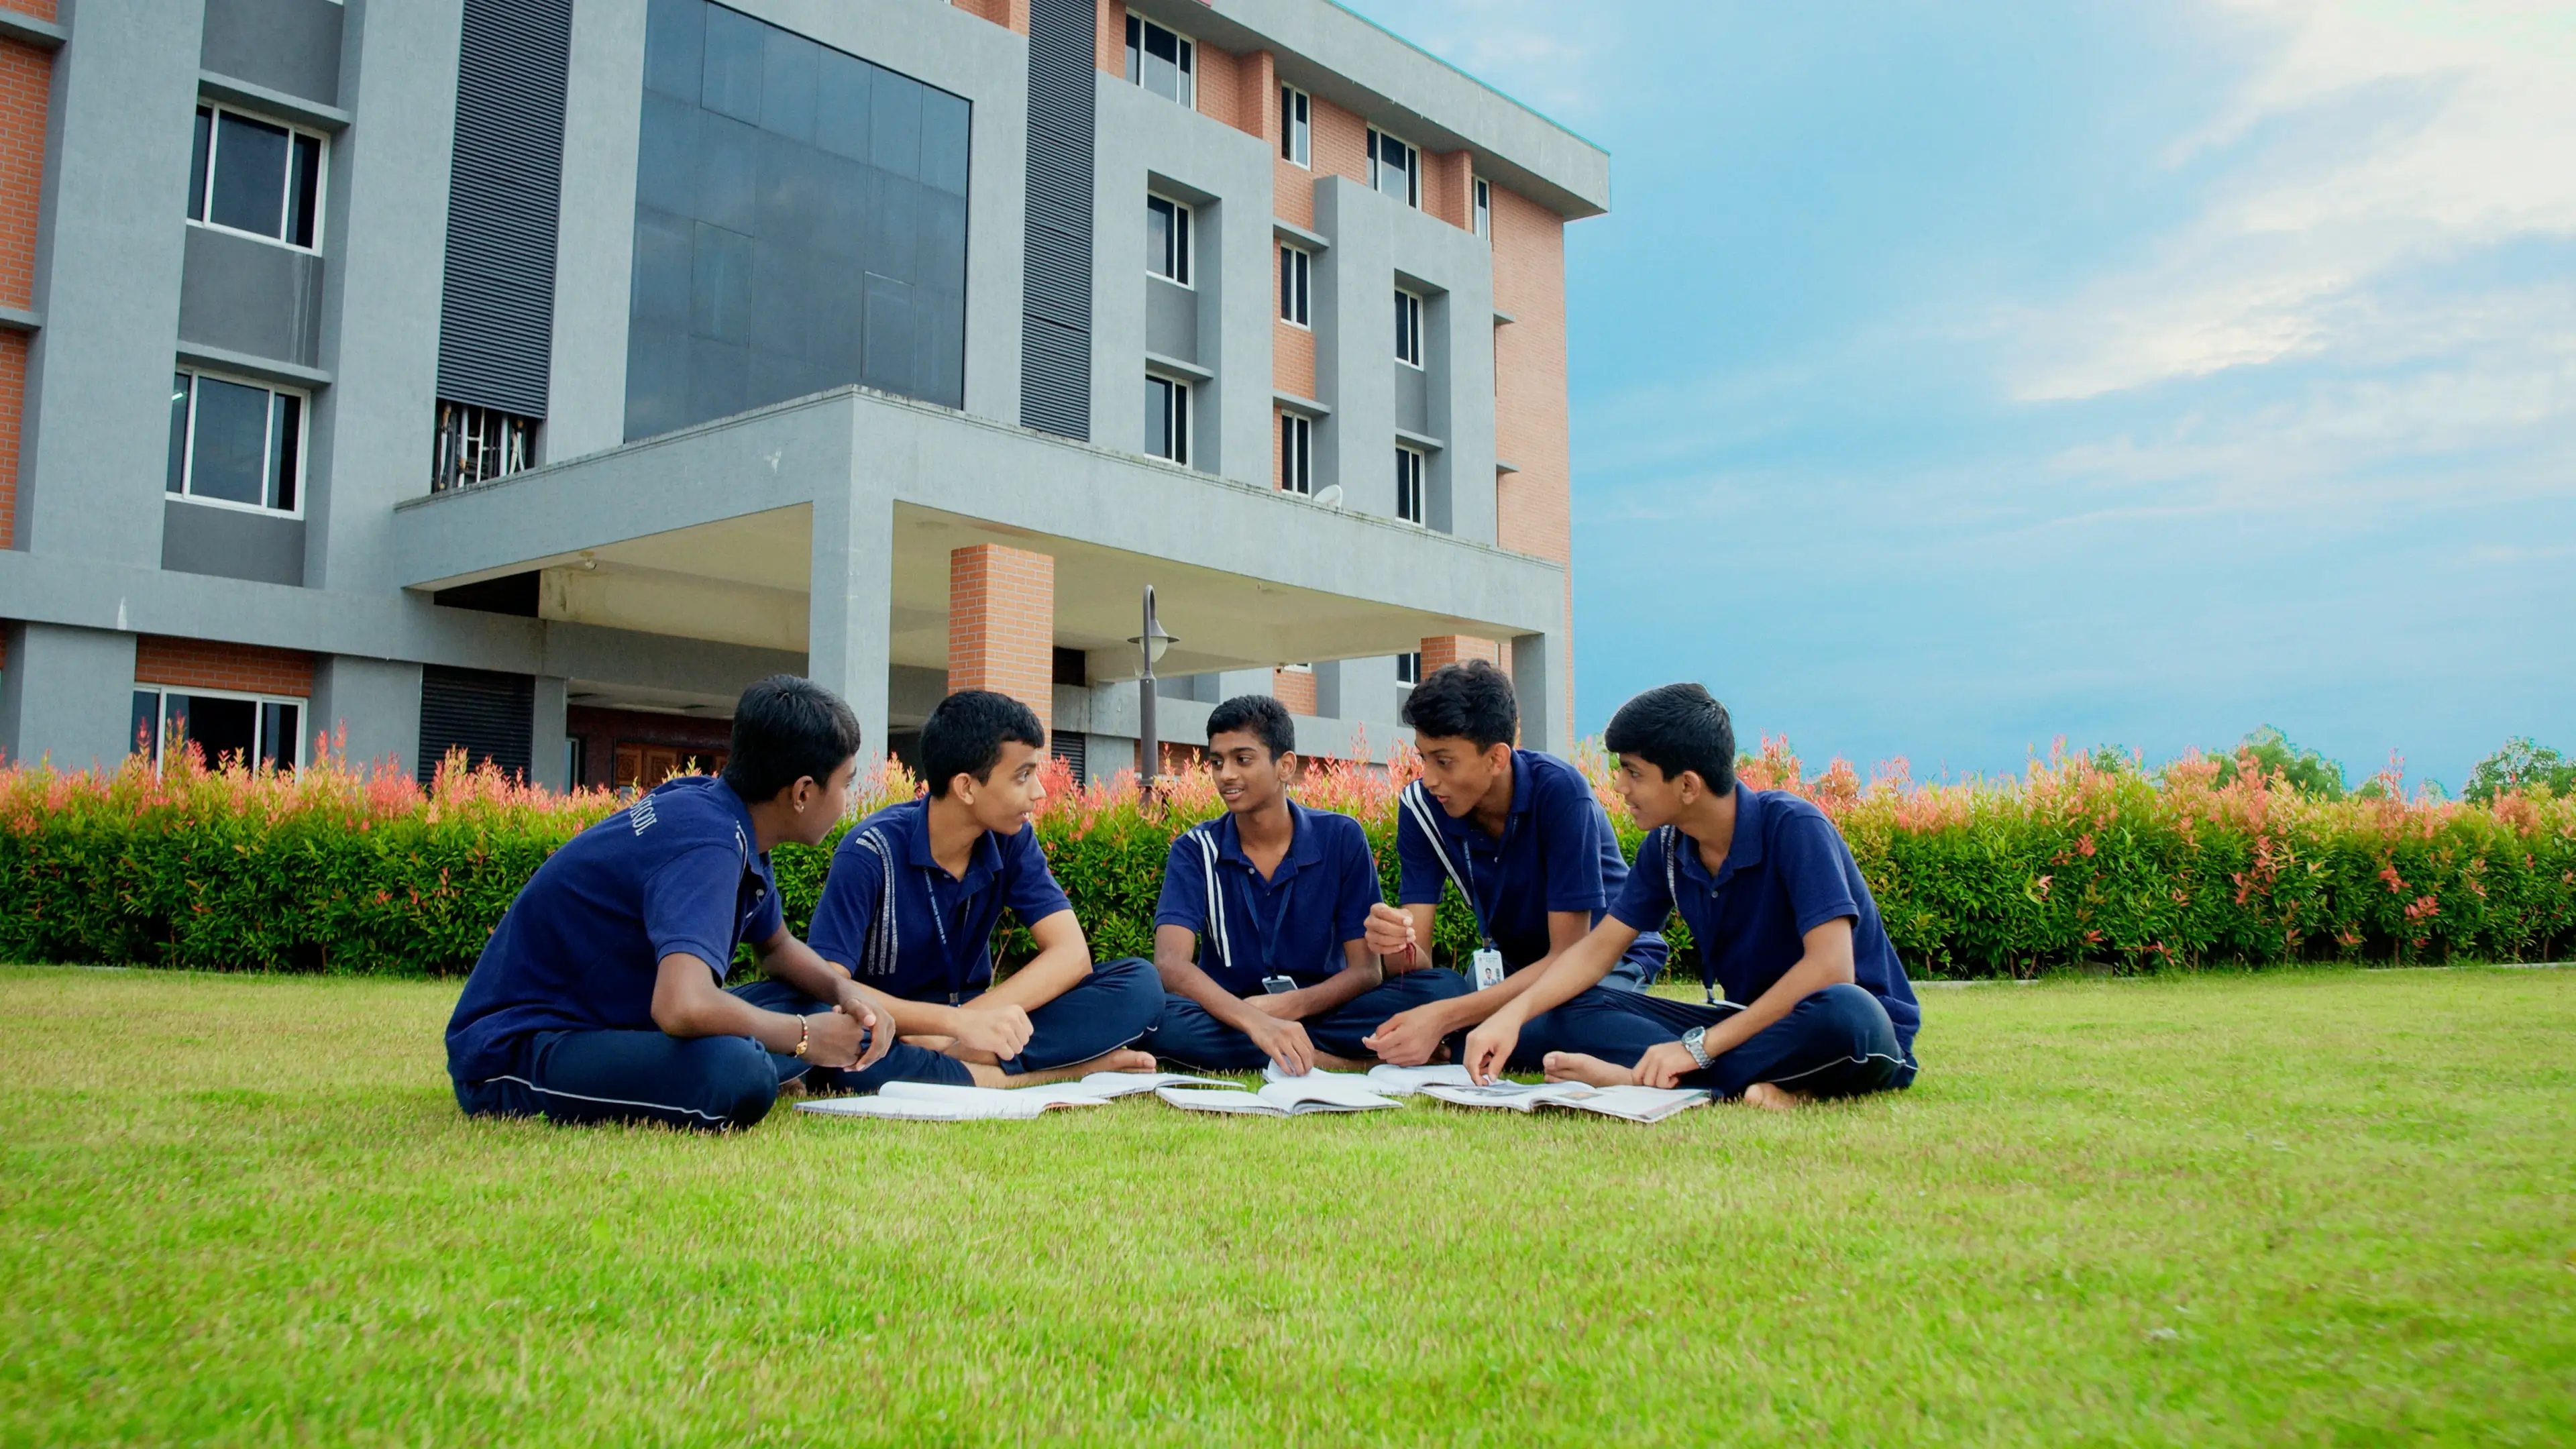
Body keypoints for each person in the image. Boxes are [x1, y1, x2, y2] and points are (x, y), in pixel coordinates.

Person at [444, 675, 900, 1131]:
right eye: (845, 783)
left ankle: (769, 1053)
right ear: (802, 793)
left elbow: (776, 947)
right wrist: (803, 1040)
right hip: (520, 1047)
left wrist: (846, 994)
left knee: (816, 1002)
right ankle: (769, 1061)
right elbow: (681, 1006)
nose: (847, 799)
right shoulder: (710, 845)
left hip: (614, 1023)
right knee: (738, 1072)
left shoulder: (725, 816)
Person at [1461, 683, 1921, 1108]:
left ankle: (1643, 1079)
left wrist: (1695, 1049)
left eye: (1633, 772)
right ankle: (1763, 1085)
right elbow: (1595, 955)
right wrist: (1512, 1014)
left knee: (1848, 1013)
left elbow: (1831, 969)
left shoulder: (1795, 827)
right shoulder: (1666, 847)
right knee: (1568, 1008)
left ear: (1687, 786)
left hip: (1843, 1024)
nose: (1620, 787)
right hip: (1742, 1025)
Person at [802, 689, 1162, 1089]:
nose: (1039, 792)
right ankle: (1057, 1072)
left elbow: (1071, 955)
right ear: (966, 787)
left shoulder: (1012, 838)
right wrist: (951, 1023)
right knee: (848, 1052)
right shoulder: (871, 851)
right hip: (895, 1028)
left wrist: (964, 1027)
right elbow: (829, 984)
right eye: (1022, 776)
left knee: (1139, 985)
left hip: (969, 1024)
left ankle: (958, 1063)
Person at [1358, 659, 1668, 1069]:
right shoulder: (1420, 807)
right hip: (1512, 967)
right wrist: (1394, 942)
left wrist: (1446, 1018)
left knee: (1554, 1024)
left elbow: (1569, 956)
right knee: (1432, 999)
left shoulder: (1561, 792)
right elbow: (1418, 968)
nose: (1429, 778)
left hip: (1601, 960)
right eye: (1423, 758)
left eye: (1444, 761)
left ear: (1497, 759)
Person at [1138, 695, 1469, 1075]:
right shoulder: (1195, 849)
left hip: (1327, 1009)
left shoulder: (1342, 837)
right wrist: (1254, 1020)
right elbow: (1170, 964)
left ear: (1286, 766)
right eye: (1217, 762)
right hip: (1233, 1013)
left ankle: (1285, 1047)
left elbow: (1366, 971)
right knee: (1159, 1017)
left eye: (1242, 759)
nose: (1225, 774)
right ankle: (1336, 1060)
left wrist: (1290, 1008)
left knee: (1444, 989)